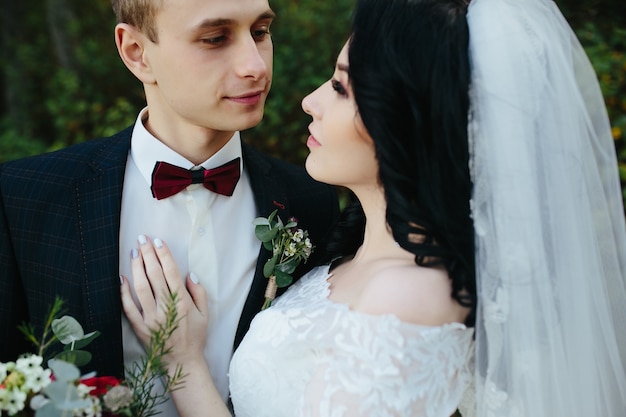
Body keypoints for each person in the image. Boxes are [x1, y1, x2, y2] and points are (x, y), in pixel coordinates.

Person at [122, 0, 626, 415]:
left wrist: (184, 365)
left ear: (410, 119)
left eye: (341, 87)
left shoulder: (411, 295)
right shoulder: (354, 249)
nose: (310, 101)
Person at [0, 0, 339, 415]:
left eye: (261, 31)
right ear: (136, 53)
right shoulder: (23, 199)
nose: (256, 66)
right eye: (215, 38)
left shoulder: (313, 200)